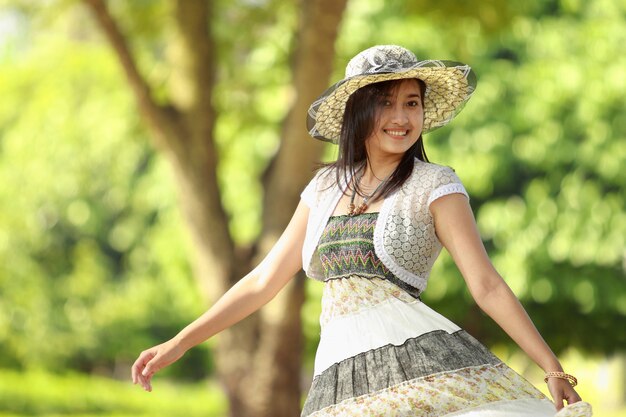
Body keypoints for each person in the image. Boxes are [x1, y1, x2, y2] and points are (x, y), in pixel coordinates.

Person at [131, 45, 592, 416]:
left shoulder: (435, 185)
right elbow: (261, 281)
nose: (402, 117)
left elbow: (486, 285)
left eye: (412, 103)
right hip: (340, 380)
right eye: (386, 103)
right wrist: (179, 342)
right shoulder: (324, 187)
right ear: (358, 112)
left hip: (421, 369)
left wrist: (551, 368)